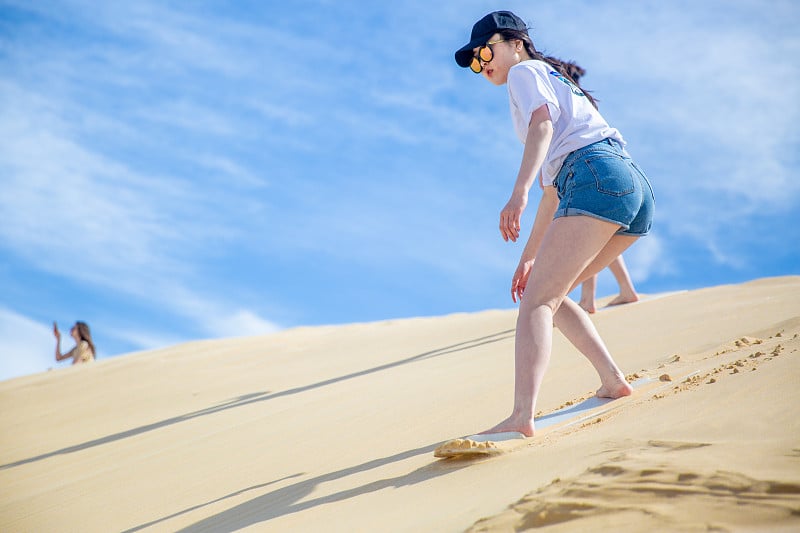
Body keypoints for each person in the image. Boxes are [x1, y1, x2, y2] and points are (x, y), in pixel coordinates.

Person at [454, 11, 654, 436]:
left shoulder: (524, 73)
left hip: (594, 176)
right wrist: (528, 259)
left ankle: (520, 417)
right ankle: (613, 381)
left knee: (537, 305)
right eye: (474, 60)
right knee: (550, 293)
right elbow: (553, 193)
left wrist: (516, 192)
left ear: (515, 41)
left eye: (485, 50)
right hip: (630, 187)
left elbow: (542, 127)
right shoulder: (553, 78)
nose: (481, 62)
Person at [557, 61, 640, 315]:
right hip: (611, 170)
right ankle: (615, 292)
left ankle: (589, 299)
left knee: (587, 233)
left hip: (586, 174)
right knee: (598, 233)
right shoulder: (583, 101)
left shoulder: (567, 102)